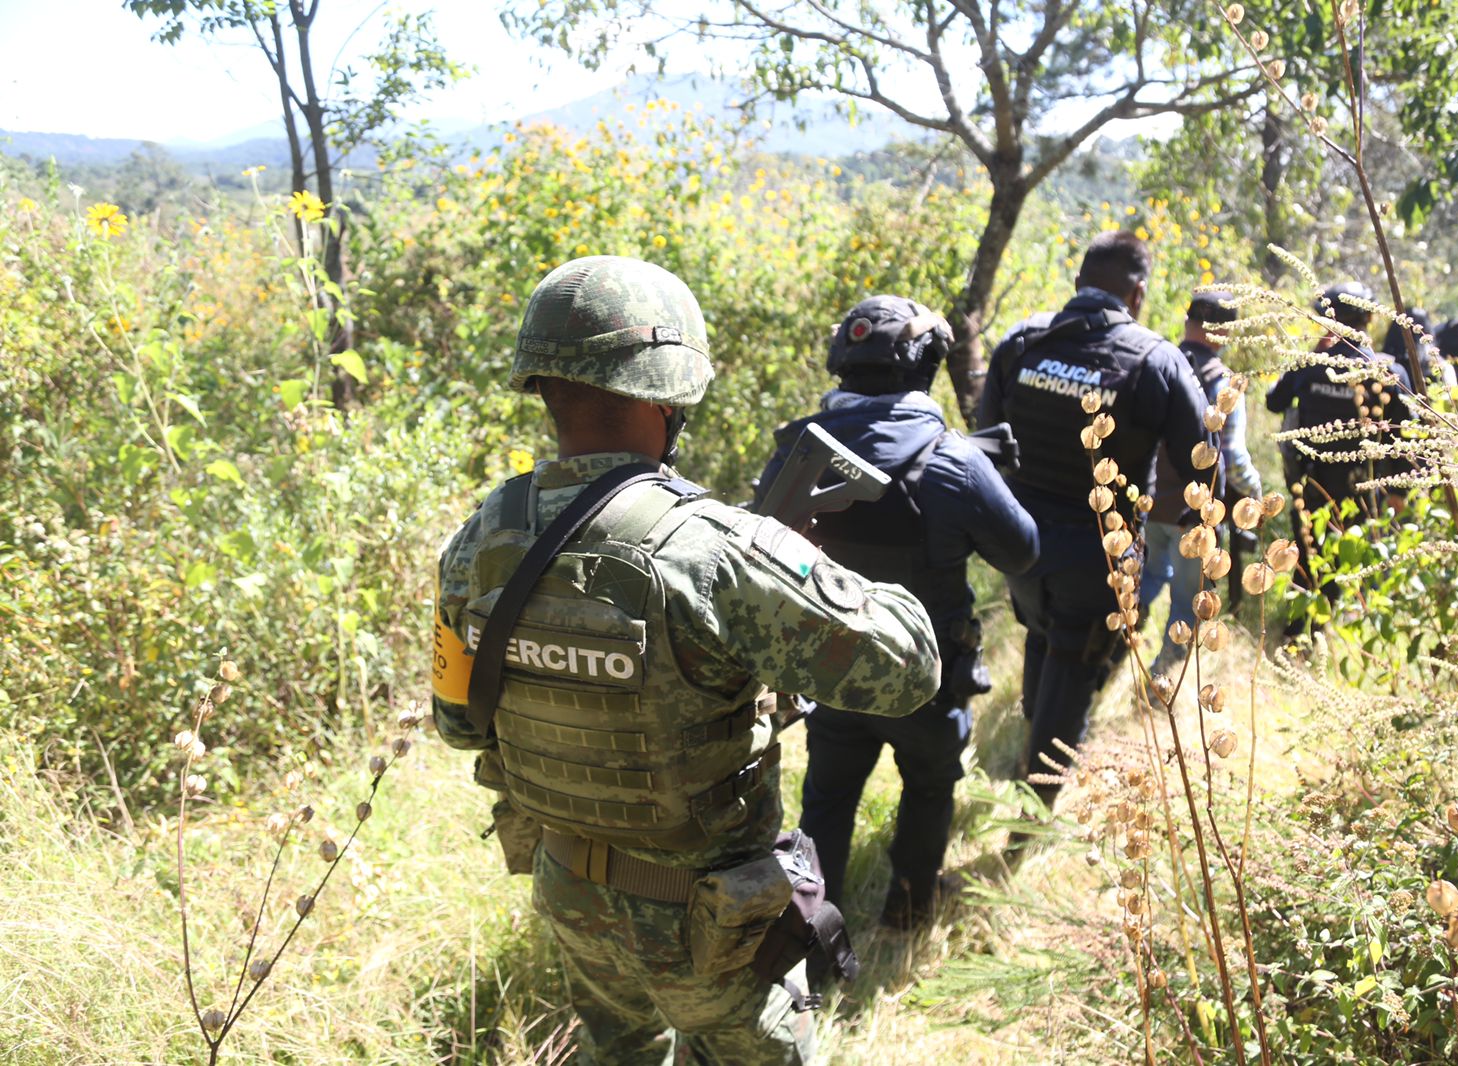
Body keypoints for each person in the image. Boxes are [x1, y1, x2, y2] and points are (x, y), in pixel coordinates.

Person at [429, 256, 941, 1065]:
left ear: (546, 387)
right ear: (671, 392)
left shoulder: (483, 533)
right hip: (715, 927)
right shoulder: (713, 547)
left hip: (570, 897)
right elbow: (908, 666)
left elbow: (458, 725)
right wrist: (808, 571)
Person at [756, 295, 1039, 929]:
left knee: (827, 796)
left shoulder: (799, 448)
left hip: (830, 666)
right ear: (926, 369)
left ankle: (809, 927)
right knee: (930, 787)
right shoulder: (954, 459)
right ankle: (907, 916)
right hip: (928, 673)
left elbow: (760, 543)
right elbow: (1023, 552)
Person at [977, 231, 1216, 808]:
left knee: (1043, 639)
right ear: (1136, 294)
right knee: (1070, 668)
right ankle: (1031, 822)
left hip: (1018, 543)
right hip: (1098, 553)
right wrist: (1195, 529)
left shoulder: (1020, 343)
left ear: (1079, 283)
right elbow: (1205, 467)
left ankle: (1031, 777)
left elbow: (981, 448)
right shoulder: (1157, 359)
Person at [1265, 281, 1413, 626]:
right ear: (1370, 320)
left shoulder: (1309, 365)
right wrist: (1400, 492)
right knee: (1351, 558)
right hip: (1364, 488)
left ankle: (1303, 628)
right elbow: (1404, 437)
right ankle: (1322, 627)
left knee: (1309, 552)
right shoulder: (1389, 372)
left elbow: (1274, 402)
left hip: (1311, 483)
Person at [1140, 291, 1262, 672]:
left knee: (1144, 580)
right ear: (1223, 331)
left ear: (1187, 320)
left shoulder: (1157, 363)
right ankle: (1163, 681)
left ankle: (1108, 652)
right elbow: (1232, 453)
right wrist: (1254, 493)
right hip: (1194, 513)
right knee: (1189, 599)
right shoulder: (1223, 383)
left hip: (1148, 501)